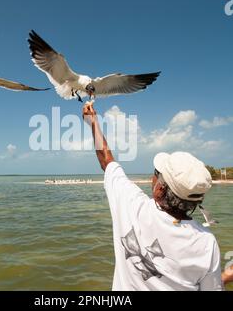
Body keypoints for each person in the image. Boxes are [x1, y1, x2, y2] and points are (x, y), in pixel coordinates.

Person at [82, 102, 223, 291]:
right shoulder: (206, 243)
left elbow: (105, 159)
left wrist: (92, 121)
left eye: (157, 172)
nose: (153, 176)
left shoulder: (132, 205)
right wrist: (226, 276)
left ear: (160, 189)